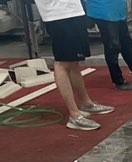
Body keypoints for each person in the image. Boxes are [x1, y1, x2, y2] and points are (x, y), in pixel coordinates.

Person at [33, 0, 114, 130]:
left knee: (74, 61)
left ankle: (86, 103)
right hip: (58, 15)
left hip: (74, 11)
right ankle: (74, 115)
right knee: (62, 62)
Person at [85, 0, 132, 91]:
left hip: (117, 10)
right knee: (112, 46)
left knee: (126, 44)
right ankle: (118, 80)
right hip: (103, 10)